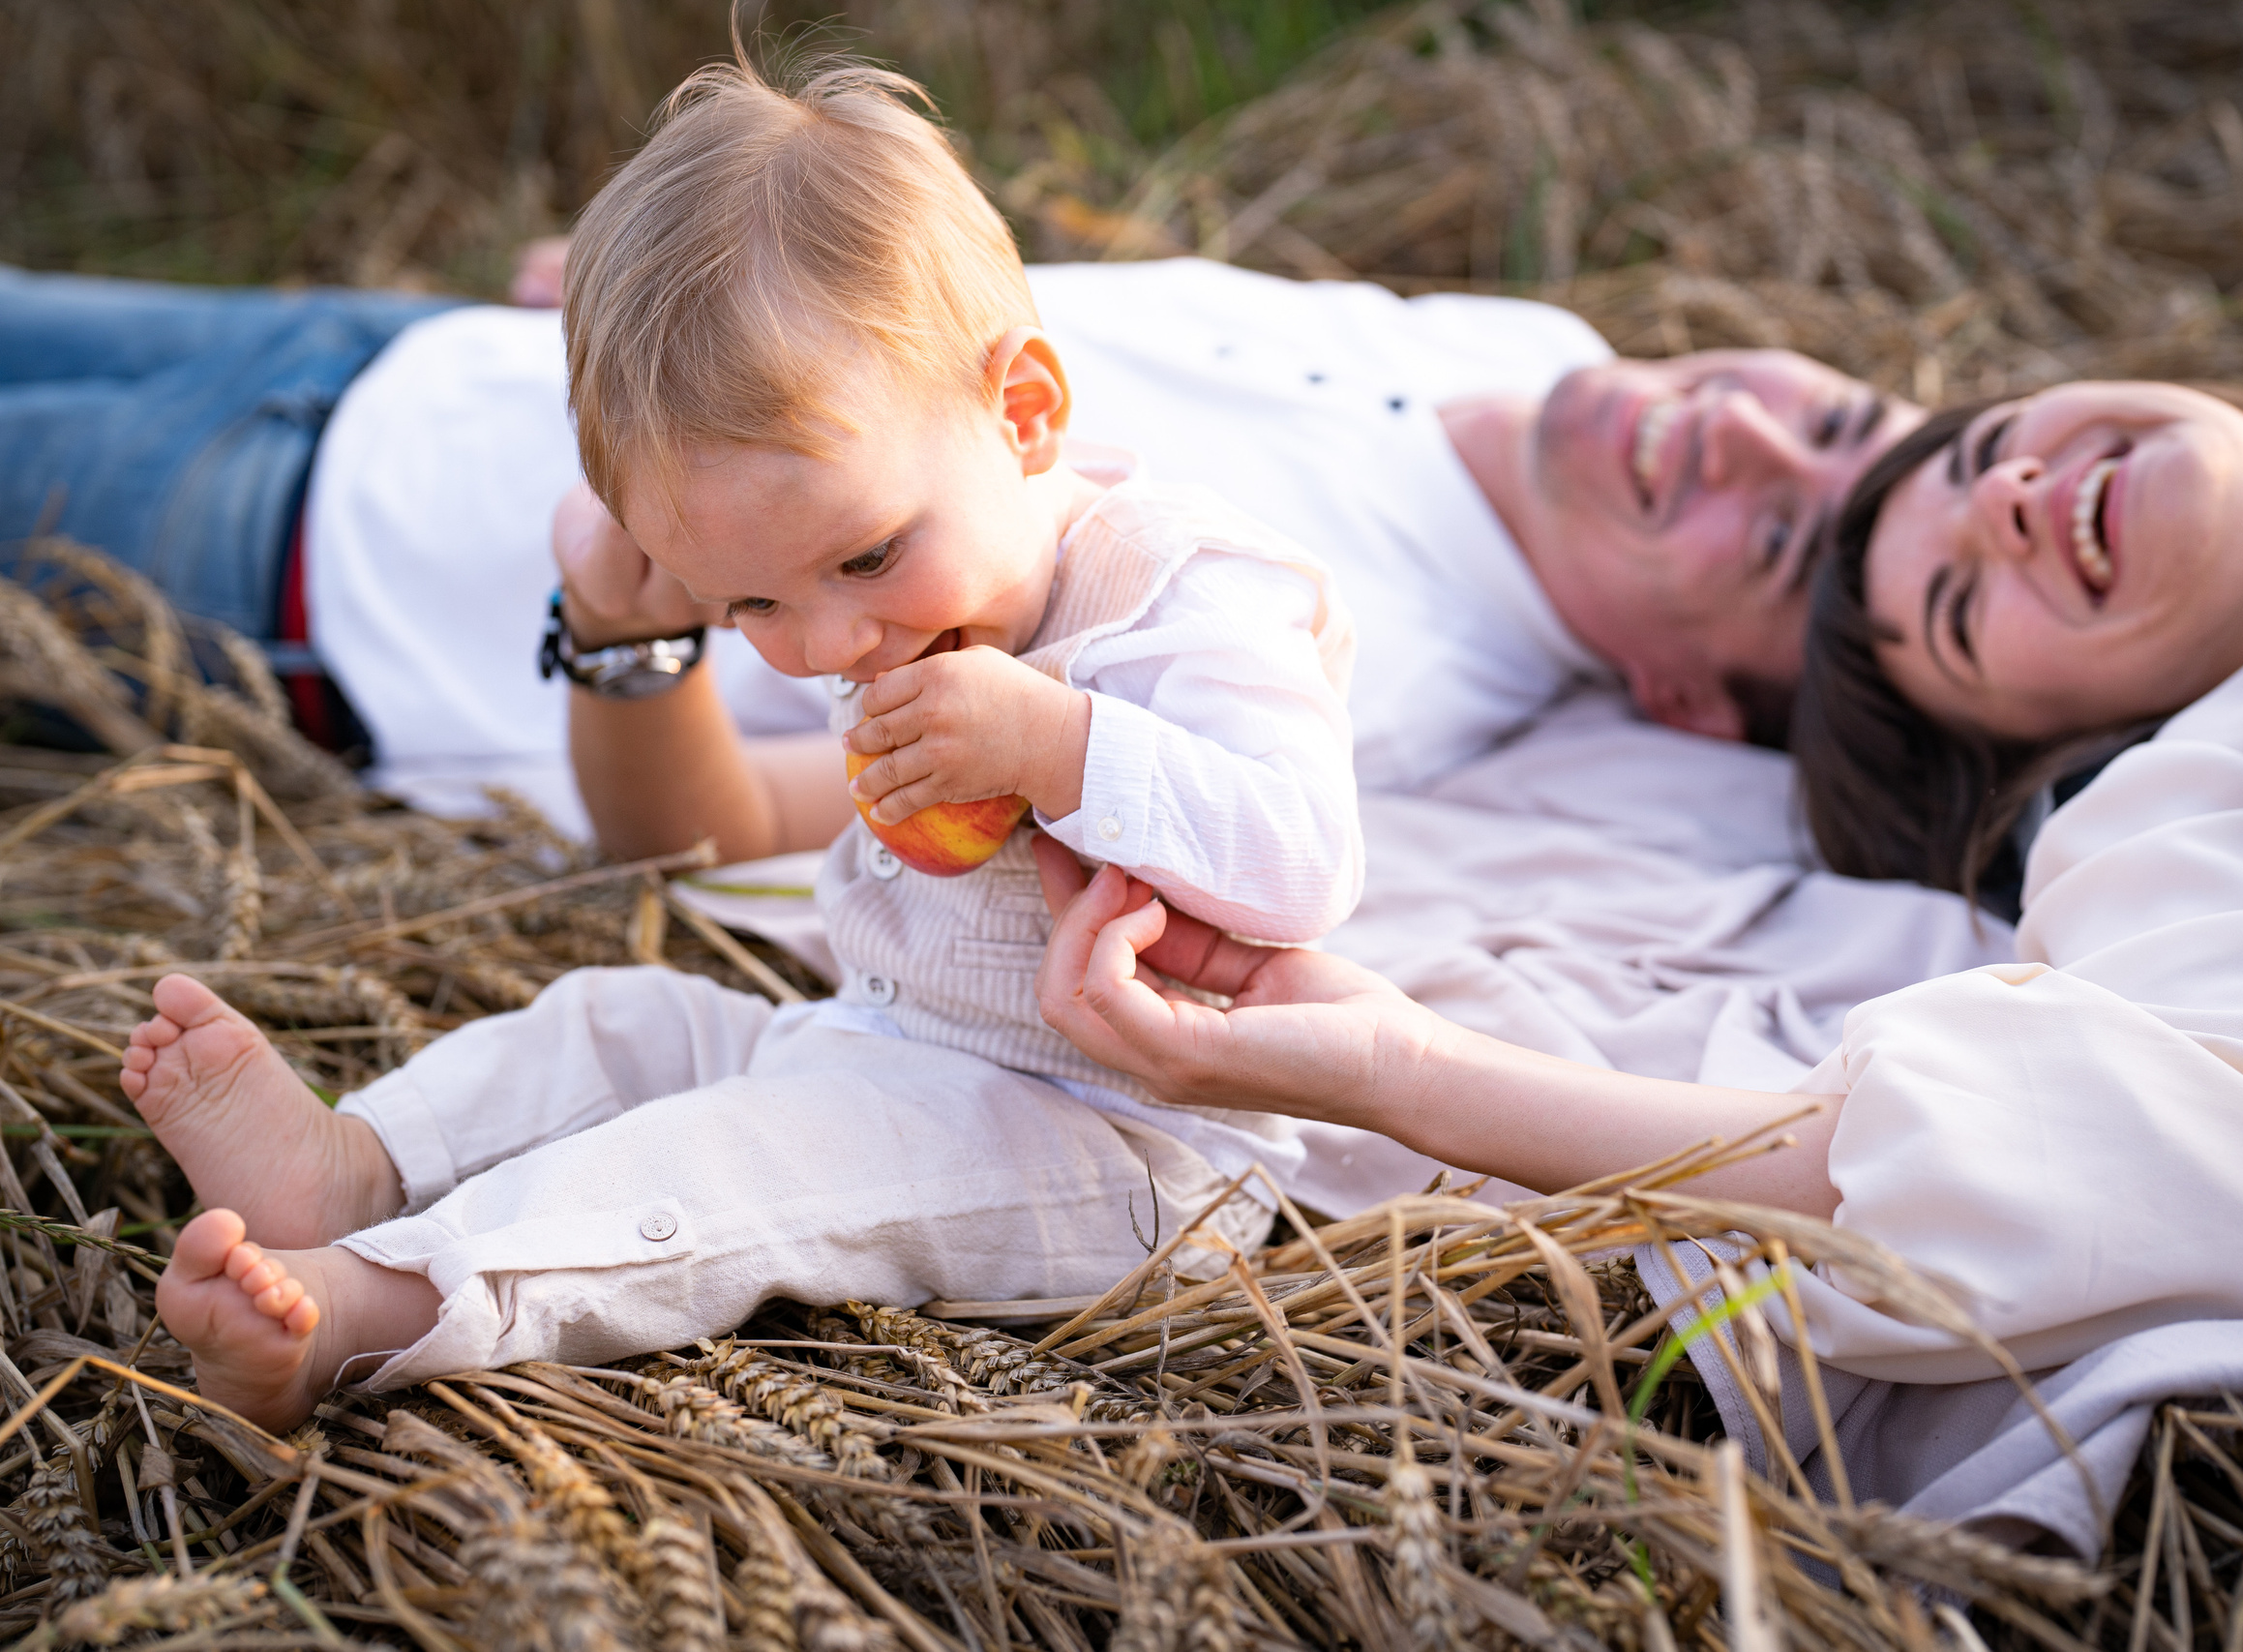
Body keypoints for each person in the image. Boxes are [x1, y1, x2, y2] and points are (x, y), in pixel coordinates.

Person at [116, 57, 1364, 1431]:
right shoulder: (905, 594)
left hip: (1125, 1148)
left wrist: (1062, 743)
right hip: (873, 1040)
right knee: (621, 1023)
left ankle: (388, 1309)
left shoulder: (1191, 593)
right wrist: (628, 611)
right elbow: (721, 808)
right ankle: (361, 1164)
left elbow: (1303, 866)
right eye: (753, 604)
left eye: (866, 558)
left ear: (1023, 415)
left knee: (738, 1168)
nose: (825, 646)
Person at [1029, 378, 2243, 1382]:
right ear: (2055, 750)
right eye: (1969, 611)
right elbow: (2169, 1156)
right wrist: (1407, 1068)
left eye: (1984, 455)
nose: (2018, 500)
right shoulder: (2223, 797)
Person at [3, 260, 1918, 831]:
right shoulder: (1540, 353)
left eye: (1772, 533)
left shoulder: (1330, 663)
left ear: (1679, 690)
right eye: (1824, 414)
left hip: (270, 573)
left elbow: (725, 832)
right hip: (386, 349)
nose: (1739, 431)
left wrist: (616, 622)